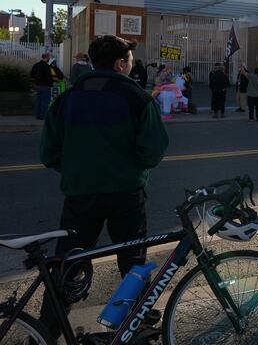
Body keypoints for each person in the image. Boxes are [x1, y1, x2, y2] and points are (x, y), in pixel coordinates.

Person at [39, 35, 169, 337]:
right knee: (133, 262)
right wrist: (131, 167)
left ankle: (46, 331)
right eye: (130, 60)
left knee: (68, 263)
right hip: (126, 194)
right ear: (120, 63)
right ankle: (136, 323)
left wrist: (76, 170)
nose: (132, 65)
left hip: (79, 195)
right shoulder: (137, 98)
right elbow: (153, 150)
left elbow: (48, 153)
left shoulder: (66, 99)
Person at [30, 53, 53, 119]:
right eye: (49, 57)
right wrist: (51, 84)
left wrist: (37, 79)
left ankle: (37, 115)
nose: (49, 59)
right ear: (46, 57)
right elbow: (49, 77)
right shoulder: (46, 66)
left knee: (38, 101)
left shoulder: (36, 65)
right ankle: (43, 116)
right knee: (45, 102)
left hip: (37, 85)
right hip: (45, 86)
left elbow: (31, 74)